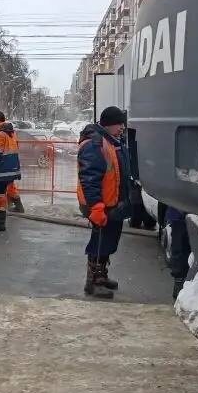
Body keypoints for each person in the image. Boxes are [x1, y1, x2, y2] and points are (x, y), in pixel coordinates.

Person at [77, 106, 132, 299]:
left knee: (108, 240)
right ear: (109, 124)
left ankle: (101, 275)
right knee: (100, 240)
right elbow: (89, 178)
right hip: (101, 204)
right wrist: (96, 206)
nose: (122, 127)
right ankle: (93, 281)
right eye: (119, 124)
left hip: (112, 203)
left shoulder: (113, 141)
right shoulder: (95, 144)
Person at [166, 206, 192, 298]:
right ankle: (179, 283)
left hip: (195, 216)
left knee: (186, 251)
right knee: (179, 249)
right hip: (179, 215)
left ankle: (185, 282)